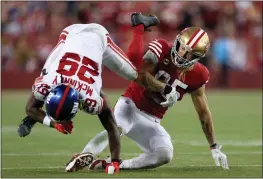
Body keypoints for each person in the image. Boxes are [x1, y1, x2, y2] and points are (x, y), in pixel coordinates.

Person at [17, 13, 180, 174]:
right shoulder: (49, 82)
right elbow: (30, 107)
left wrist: (115, 161)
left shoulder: (90, 97)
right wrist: (54, 123)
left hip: (98, 36)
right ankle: (31, 120)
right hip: (69, 34)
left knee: (134, 73)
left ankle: (139, 26)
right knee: (45, 73)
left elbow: (112, 127)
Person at [65, 21, 229, 172]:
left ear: (198, 58)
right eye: (181, 47)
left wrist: (213, 146)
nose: (181, 54)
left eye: (189, 54)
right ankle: (86, 154)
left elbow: (203, 113)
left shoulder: (199, 74)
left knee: (165, 154)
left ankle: (114, 164)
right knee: (118, 127)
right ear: (177, 41)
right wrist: (164, 88)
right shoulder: (161, 47)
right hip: (130, 105)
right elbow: (138, 74)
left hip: (152, 119)